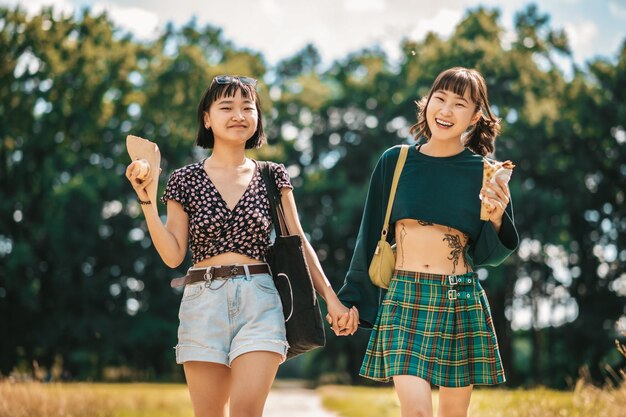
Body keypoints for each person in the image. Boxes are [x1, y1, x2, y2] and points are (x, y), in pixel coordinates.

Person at [126, 75, 358, 417]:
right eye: (226, 107)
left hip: (260, 300)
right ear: (207, 118)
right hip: (203, 302)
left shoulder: (272, 175)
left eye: (247, 107)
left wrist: (333, 300)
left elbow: (298, 242)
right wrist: (147, 201)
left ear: (257, 117)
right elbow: (173, 254)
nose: (239, 114)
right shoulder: (184, 180)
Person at [337, 67, 519, 417]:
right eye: (440, 98)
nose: (446, 111)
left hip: (460, 294)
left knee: (453, 413)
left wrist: (497, 217)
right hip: (404, 295)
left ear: (475, 116)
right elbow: (368, 234)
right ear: (427, 102)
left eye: (459, 104)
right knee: (416, 411)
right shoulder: (396, 161)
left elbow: (488, 255)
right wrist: (351, 299)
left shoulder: (485, 171)